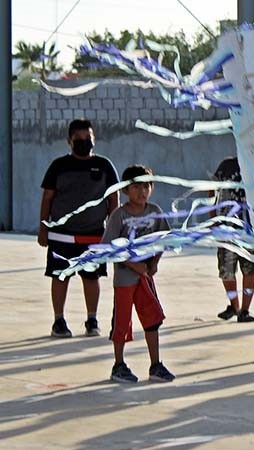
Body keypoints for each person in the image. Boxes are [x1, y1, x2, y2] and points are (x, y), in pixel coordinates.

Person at [39, 118, 119, 338]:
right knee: (60, 276)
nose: (84, 142)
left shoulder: (104, 165)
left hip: (94, 235)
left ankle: (92, 319)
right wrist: (43, 228)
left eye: (88, 138)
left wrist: (113, 229)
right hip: (61, 236)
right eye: (79, 139)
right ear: (69, 141)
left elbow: (113, 198)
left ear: (94, 140)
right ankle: (59, 320)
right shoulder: (58, 166)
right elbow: (47, 198)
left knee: (91, 278)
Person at [102, 165, 174, 383]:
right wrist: (134, 265)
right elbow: (110, 248)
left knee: (152, 319)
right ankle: (119, 364)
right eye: (136, 187)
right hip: (125, 279)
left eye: (147, 186)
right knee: (122, 322)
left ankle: (155, 364)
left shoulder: (154, 211)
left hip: (146, 278)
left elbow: (164, 239)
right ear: (125, 189)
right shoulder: (119, 216)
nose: (142, 191)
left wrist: (154, 263)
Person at [210, 156, 254, 322]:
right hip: (227, 229)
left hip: (251, 229)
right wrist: (213, 217)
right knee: (227, 270)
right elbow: (213, 188)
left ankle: (245, 310)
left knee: (250, 269)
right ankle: (234, 305)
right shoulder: (227, 165)